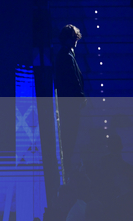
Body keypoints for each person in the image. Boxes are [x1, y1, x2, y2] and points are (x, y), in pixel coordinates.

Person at [54, 24, 85, 180]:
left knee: (70, 137)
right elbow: (73, 80)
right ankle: (67, 170)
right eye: (73, 38)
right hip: (70, 105)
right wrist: (80, 96)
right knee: (69, 137)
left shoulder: (66, 55)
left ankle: (68, 168)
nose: (75, 40)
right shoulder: (66, 56)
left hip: (69, 104)